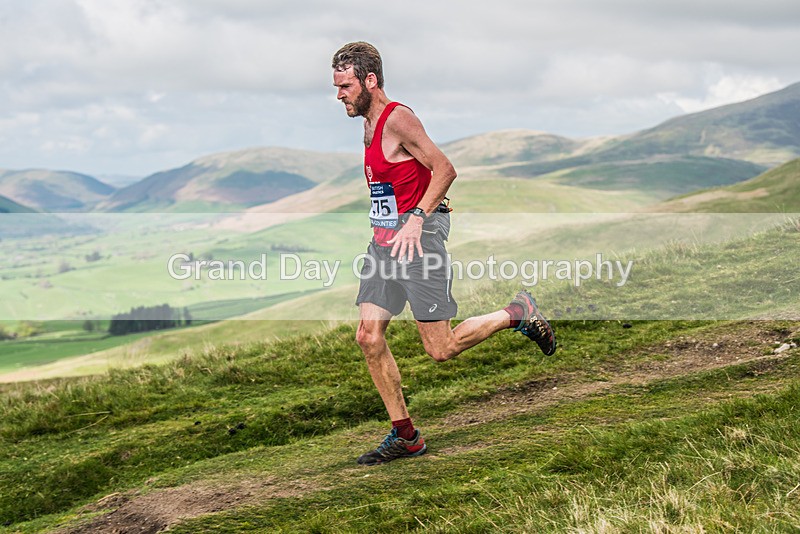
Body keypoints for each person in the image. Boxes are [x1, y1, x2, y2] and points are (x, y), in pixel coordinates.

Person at [332, 42, 556, 466]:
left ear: (369, 80)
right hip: (384, 243)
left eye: (344, 86)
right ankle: (407, 437)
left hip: (419, 240)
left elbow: (445, 169)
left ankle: (517, 312)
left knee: (441, 348)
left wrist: (417, 217)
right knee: (368, 336)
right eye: (337, 86)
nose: (339, 95)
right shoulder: (368, 123)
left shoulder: (398, 118)